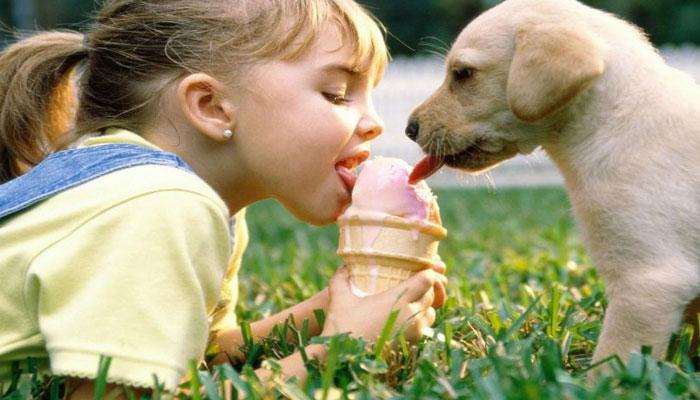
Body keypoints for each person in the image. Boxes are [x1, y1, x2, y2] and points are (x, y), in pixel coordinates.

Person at [0, 0, 448, 397]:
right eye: (336, 94)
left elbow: (199, 358)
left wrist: (324, 312)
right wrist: (339, 348)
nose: (373, 123)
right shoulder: (160, 204)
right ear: (211, 105)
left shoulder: (187, 201)